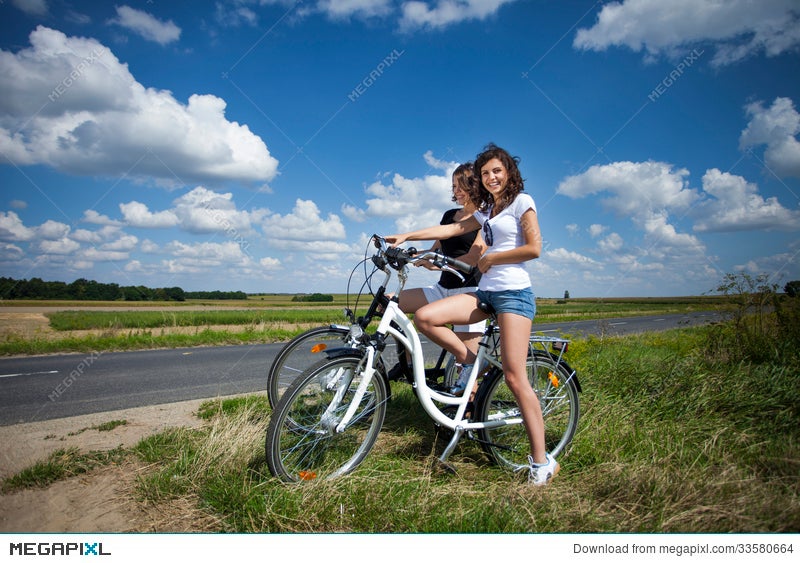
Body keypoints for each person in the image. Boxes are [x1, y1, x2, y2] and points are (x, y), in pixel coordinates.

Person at [386, 143, 558, 486]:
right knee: (426, 317)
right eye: (485, 173)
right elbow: (451, 231)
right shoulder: (489, 212)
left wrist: (492, 259)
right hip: (485, 293)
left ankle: (541, 462)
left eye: (496, 170)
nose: (491, 177)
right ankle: (471, 361)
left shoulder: (522, 203)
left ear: (508, 172)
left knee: (513, 376)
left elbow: (534, 247)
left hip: (514, 295)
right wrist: (408, 235)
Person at [393, 162, 486, 388]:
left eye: (461, 185)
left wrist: (443, 263)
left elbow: (474, 257)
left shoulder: (485, 218)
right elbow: (435, 251)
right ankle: (406, 363)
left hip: (469, 291)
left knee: (466, 371)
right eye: (453, 186)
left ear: (475, 185)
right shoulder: (449, 215)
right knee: (389, 304)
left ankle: (467, 414)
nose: (456, 191)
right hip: (442, 289)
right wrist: (411, 255)